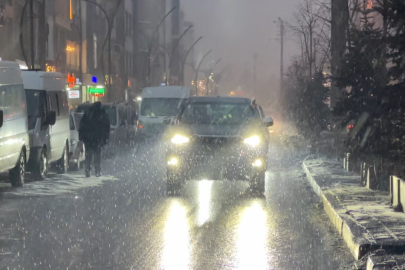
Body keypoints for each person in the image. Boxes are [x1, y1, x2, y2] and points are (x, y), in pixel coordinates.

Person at [79, 102, 110, 177]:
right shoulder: (101, 114)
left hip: (89, 138)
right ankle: (97, 171)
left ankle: (88, 170)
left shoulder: (88, 114)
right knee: (97, 155)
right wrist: (105, 138)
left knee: (89, 155)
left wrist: (82, 137)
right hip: (97, 138)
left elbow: (82, 126)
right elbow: (106, 127)